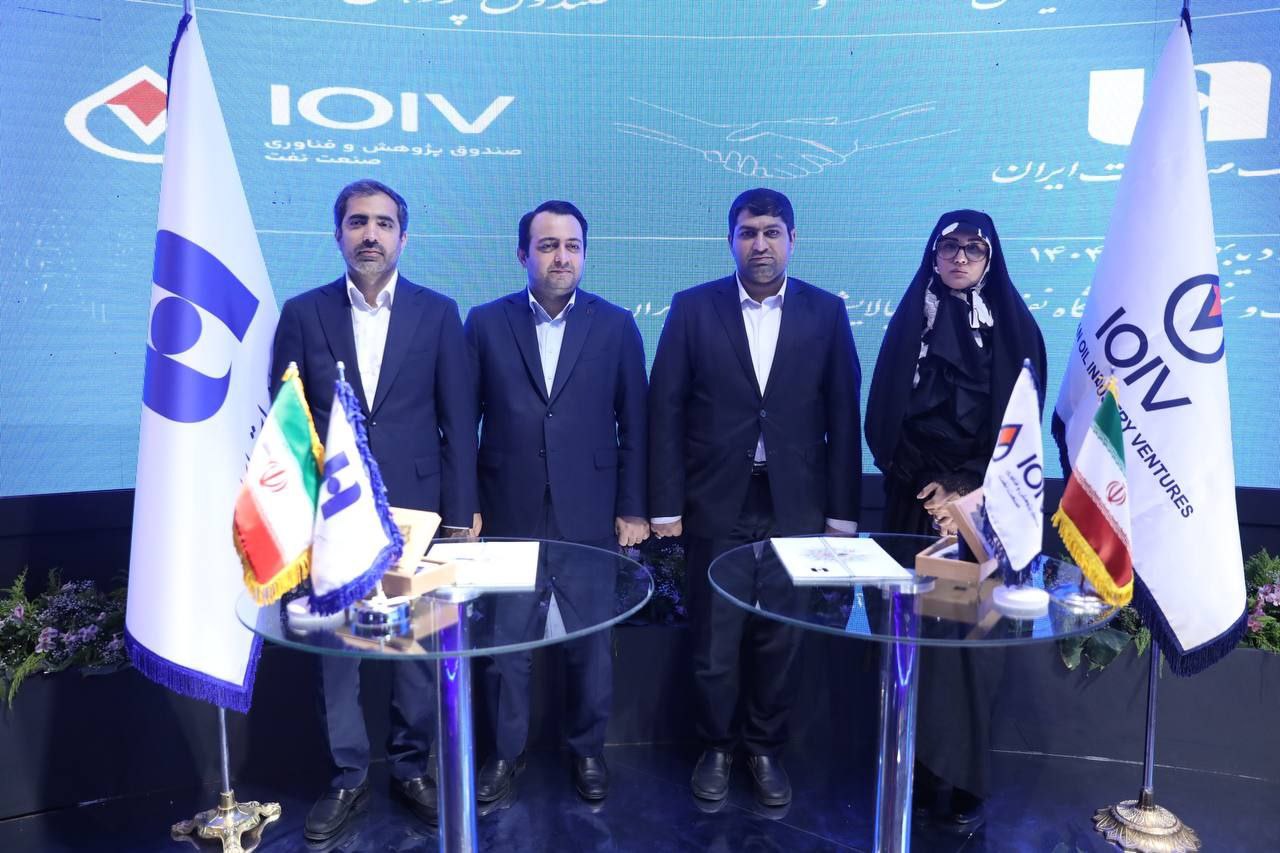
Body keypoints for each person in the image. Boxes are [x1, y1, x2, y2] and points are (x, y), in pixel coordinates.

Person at [271, 179, 479, 842]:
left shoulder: (438, 312)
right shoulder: (303, 313)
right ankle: (349, 774)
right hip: (332, 516)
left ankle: (412, 768)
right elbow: (287, 426)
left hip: (419, 511)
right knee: (338, 651)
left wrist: (461, 514)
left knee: (416, 645)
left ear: (403, 237)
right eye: (358, 222)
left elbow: (458, 419)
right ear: (337, 234)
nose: (370, 234)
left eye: (384, 223)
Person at [647, 188, 862, 807]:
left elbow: (842, 414)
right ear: (731, 240)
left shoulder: (826, 312)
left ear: (793, 240)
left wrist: (843, 513)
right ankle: (717, 747)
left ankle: (764, 749)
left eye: (772, 232)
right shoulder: (693, 308)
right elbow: (666, 408)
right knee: (714, 643)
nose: (760, 244)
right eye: (748, 232)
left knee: (782, 640)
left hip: (796, 503)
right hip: (717, 501)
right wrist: (665, 504)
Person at [864, 209, 1046, 828]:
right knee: (913, 642)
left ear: (990, 259)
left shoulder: (1016, 331)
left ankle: (966, 779)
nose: (960, 258)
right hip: (913, 508)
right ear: (934, 254)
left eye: (974, 248)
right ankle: (914, 769)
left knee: (972, 648)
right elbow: (882, 417)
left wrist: (966, 487)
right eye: (949, 247)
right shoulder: (909, 323)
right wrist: (927, 486)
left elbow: (1021, 429)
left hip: (985, 514)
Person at [465, 200, 649, 804]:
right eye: (547, 246)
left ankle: (588, 751)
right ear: (523, 254)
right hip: (507, 509)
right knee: (506, 647)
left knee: (591, 647)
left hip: (590, 510)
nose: (560, 257)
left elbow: (636, 424)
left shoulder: (616, 325)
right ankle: (504, 754)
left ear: (584, 254)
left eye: (572, 246)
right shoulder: (485, 323)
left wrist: (633, 507)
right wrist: (466, 504)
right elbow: (463, 422)